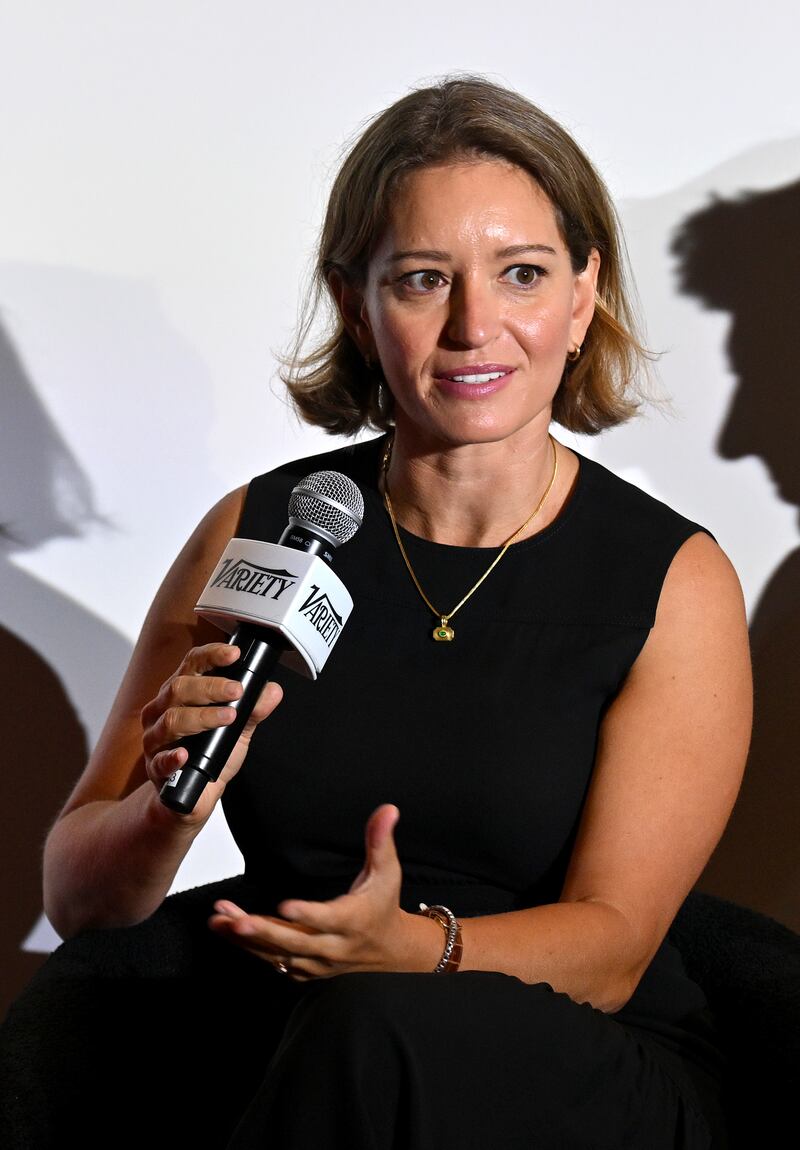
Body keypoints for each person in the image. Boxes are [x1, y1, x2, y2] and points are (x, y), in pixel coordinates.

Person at [0, 75, 752, 1148]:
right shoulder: (256, 533)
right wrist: (166, 807)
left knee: (371, 1028)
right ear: (355, 303)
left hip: (567, 1058)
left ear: (581, 297)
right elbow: (82, 905)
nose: (472, 326)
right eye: (421, 280)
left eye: (522, 274)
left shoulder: (669, 578)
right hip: (295, 1028)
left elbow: (614, 945)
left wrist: (411, 948)